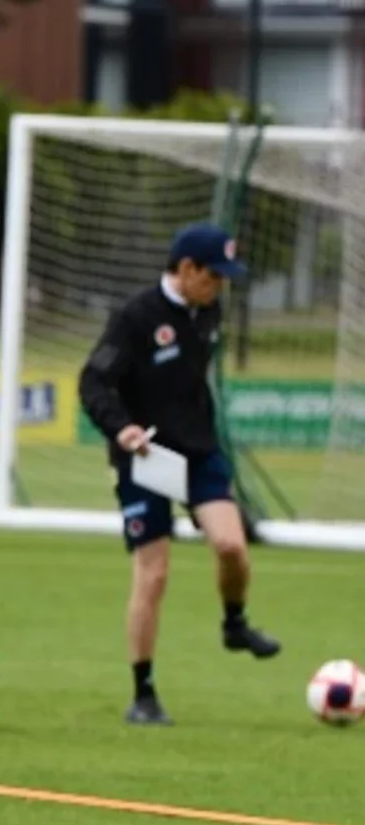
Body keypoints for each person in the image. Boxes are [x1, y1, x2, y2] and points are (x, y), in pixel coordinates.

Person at [78, 221, 281, 726]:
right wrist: (122, 430)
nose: (220, 286)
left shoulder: (209, 310)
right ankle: (143, 694)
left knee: (231, 546)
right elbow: (93, 381)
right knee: (155, 572)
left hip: (198, 452)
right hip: (145, 458)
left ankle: (234, 624)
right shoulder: (135, 317)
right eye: (215, 276)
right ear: (186, 269)